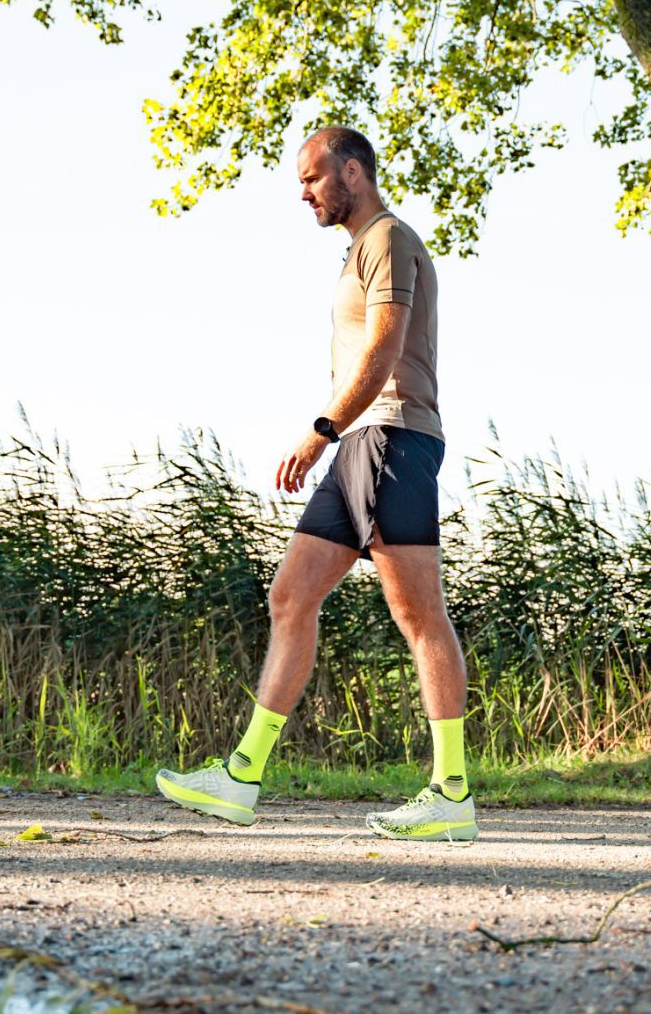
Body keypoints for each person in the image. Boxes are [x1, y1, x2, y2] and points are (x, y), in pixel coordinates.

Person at [155, 127, 475, 842]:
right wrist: (338, 437)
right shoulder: (358, 250)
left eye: (311, 178)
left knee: (419, 614)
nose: (303, 193)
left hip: (391, 438)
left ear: (352, 172)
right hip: (361, 442)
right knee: (291, 596)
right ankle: (241, 778)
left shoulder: (387, 238)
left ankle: (451, 791)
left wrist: (320, 429)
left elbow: (385, 346)